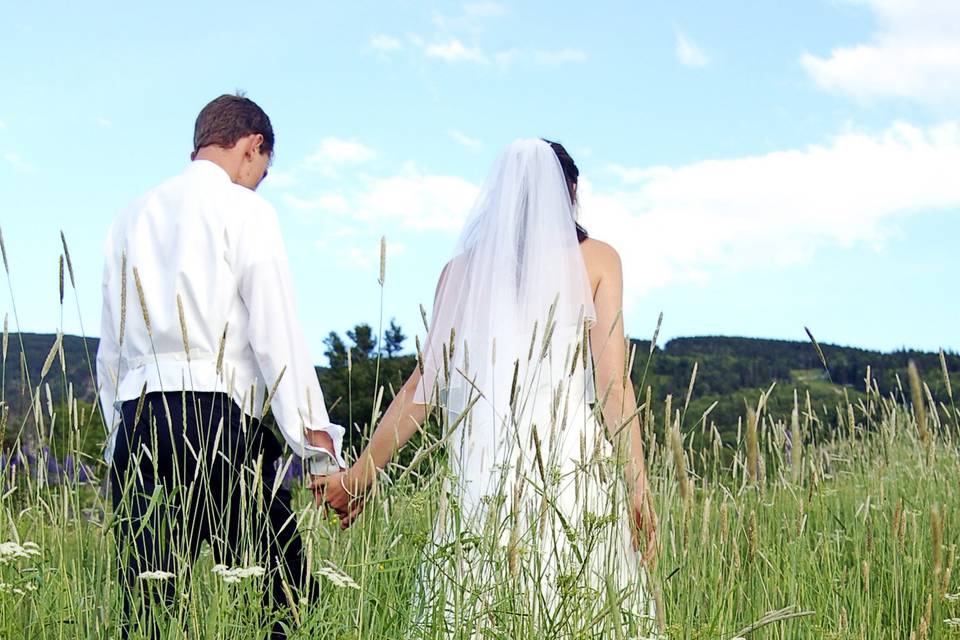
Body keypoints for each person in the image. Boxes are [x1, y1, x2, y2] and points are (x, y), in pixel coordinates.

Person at [317, 139, 659, 637]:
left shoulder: (458, 274)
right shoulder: (600, 260)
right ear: (570, 194)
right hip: (568, 468)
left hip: (483, 468)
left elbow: (423, 388)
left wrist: (361, 474)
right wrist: (637, 485)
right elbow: (612, 385)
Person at [95, 93, 345, 638]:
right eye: (261, 170)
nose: (256, 183)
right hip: (221, 420)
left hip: (139, 423)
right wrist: (317, 445)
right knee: (285, 592)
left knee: (150, 608)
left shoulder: (129, 216)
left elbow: (110, 346)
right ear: (253, 147)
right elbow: (277, 333)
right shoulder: (247, 210)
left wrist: (121, 433)